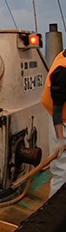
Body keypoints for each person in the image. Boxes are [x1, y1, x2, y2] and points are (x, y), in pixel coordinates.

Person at [41, 50, 66, 198]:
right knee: (62, 172)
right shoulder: (62, 71)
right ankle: (53, 214)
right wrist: (60, 139)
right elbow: (57, 108)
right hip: (61, 124)